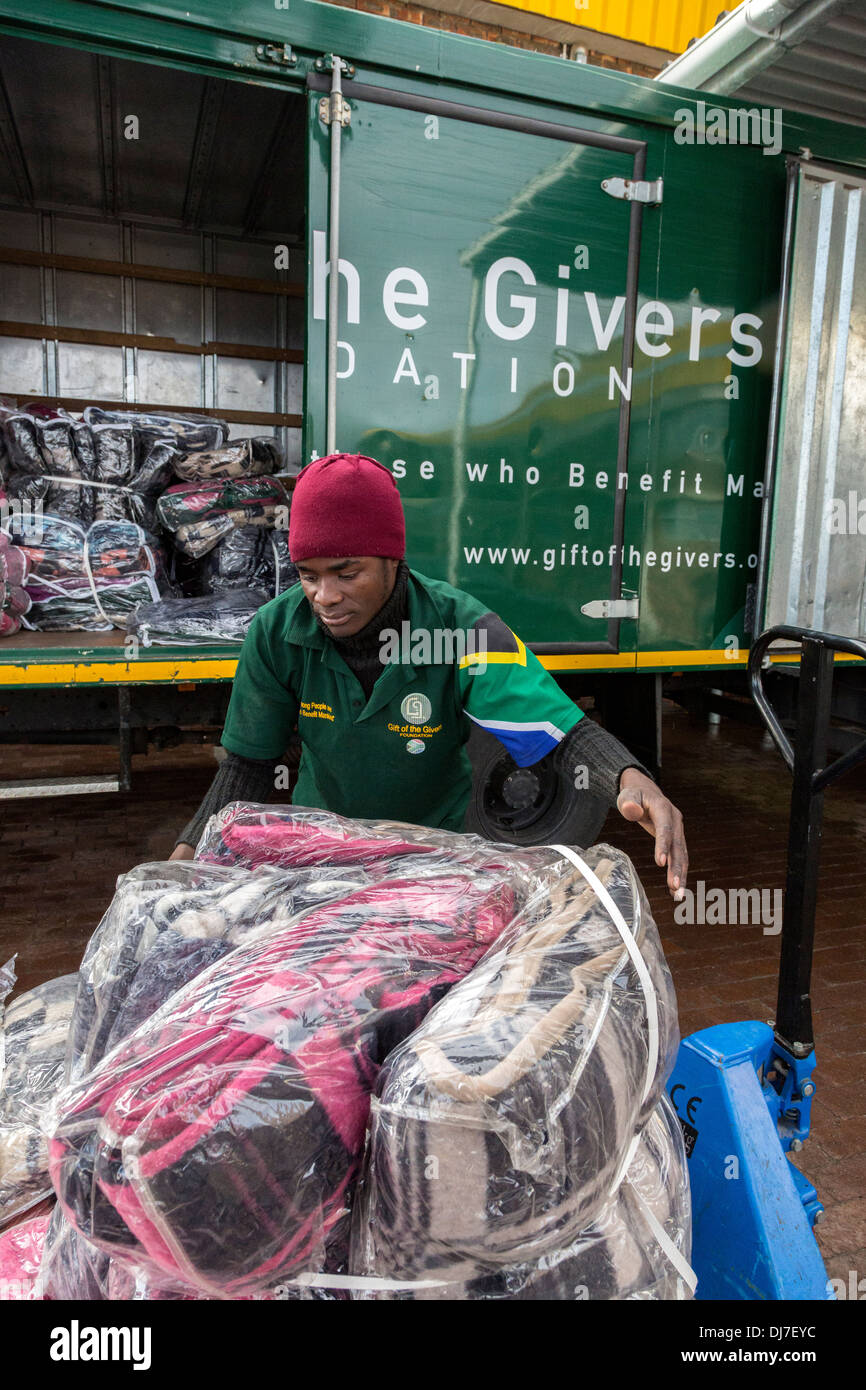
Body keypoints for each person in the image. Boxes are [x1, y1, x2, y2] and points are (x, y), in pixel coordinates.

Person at [171, 453, 687, 898]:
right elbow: (248, 766)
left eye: (347, 573)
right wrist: (188, 855)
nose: (325, 597)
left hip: (434, 859)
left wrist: (630, 776)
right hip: (320, 857)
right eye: (310, 575)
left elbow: (554, 731)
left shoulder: (464, 628)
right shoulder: (275, 632)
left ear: (392, 560)